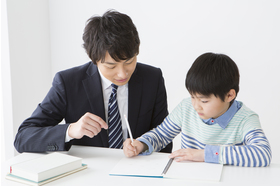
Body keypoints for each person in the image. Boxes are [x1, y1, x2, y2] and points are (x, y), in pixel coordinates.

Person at [14, 10, 172, 153]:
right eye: (111, 66)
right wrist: (70, 130)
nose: (122, 73)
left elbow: (165, 140)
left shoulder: (152, 78)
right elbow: (23, 138)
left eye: (129, 61)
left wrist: (144, 146)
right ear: (94, 59)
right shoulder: (68, 83)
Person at [123, 52, 272, 167]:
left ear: (229, 95)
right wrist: (141, 144)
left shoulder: (245, 118)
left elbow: (262, 153)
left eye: (204, 100)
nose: (196, 105)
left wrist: (205, 155)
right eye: (193, 97)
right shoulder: (186, 108)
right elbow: (161, 134)